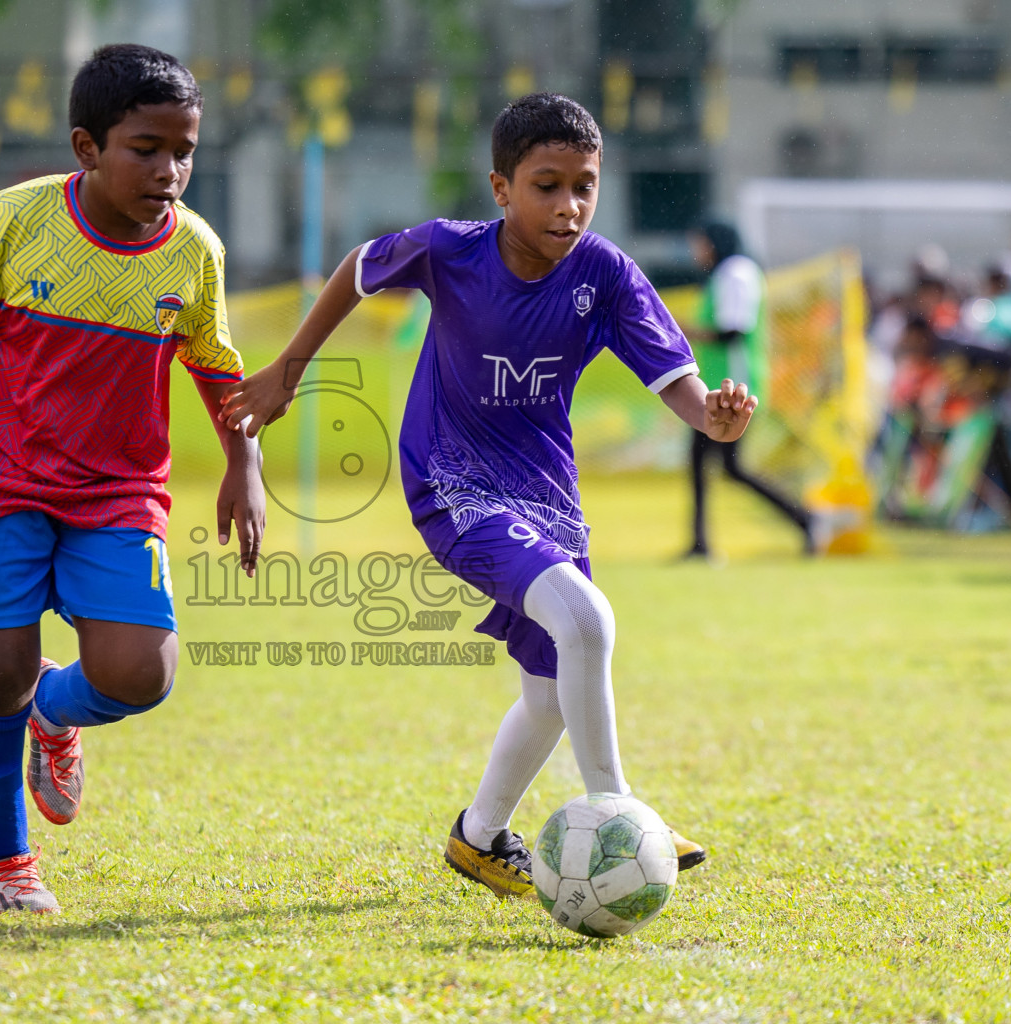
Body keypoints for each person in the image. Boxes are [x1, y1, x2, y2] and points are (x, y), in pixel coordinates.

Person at [219, 93, 742, 897]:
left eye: (584, 185)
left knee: (549, 691)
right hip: (452, 483)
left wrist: (712, 416)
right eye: (546, 185)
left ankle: (478, 835)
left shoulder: (603, 273)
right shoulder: (449, 252)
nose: (569, 206)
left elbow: (677, 382)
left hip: (548, 498)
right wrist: (287, 373)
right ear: (501, 189)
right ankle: (617, 809)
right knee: (588, 621)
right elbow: (358, 268)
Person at [0, 44, 264, 914]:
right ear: (87, 147)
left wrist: (242, 466)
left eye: (185, 151)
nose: (170, 170)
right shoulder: (10, 222)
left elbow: (218, 368)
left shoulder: (195, 252)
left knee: (143, 673)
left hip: (116, 491)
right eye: (147, 148)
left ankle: (53, 714)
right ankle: (2, 862)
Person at [682, 221, 814, 559]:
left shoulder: (736, 272)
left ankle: (805, 519)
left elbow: (733, 331)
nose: (698, 252)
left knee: (730, 466)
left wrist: (684, 332)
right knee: (706, 463)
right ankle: (700, 543)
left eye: (701, 243)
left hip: (734, 389)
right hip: (716, 388)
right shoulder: (726, 273)